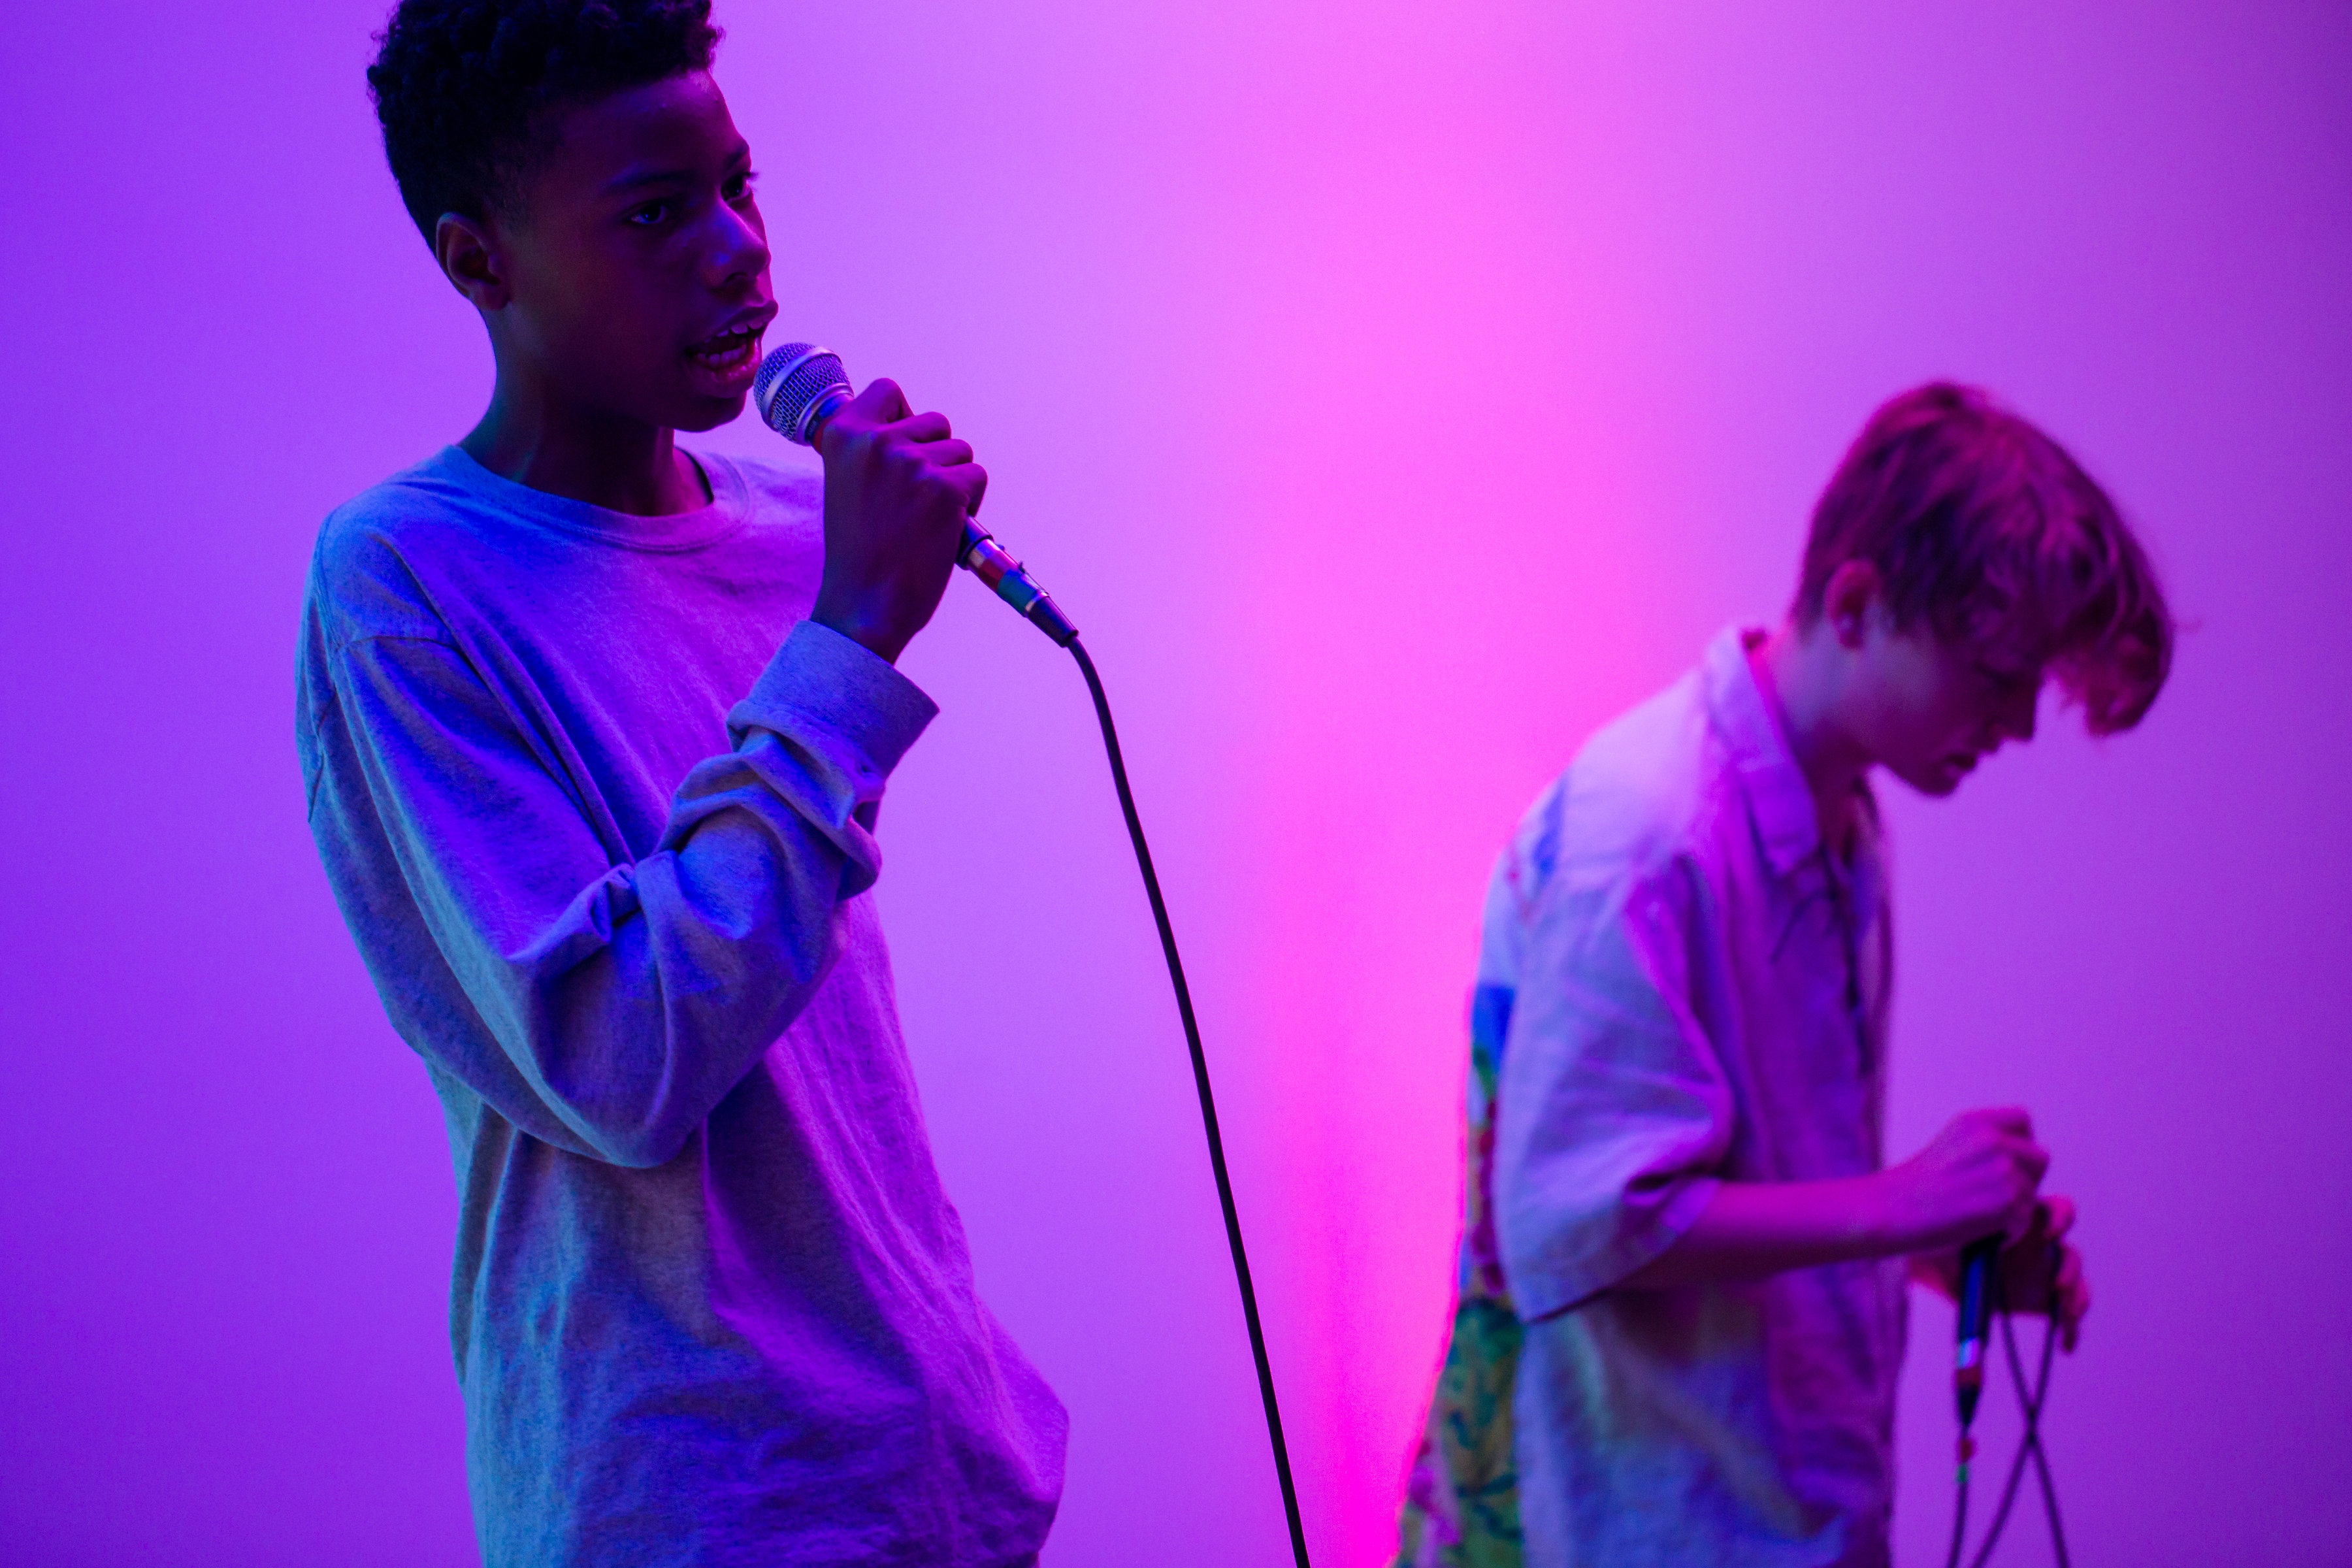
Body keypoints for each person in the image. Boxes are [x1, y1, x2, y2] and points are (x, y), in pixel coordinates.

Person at [295, 3, 1064, 1563]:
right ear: (476, 260)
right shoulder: (404, 581)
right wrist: (852, 638)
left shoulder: (794, 536)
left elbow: (801, 1001)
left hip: (930, 1472)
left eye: (739, 183)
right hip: (689, 1502)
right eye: (655, 213)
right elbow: (620, 1059)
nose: (737, 254)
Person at [1395, 383, 2170, 1568]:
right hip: (1643, 1529)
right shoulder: (1645, 835)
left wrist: (1937, 1253)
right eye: (1997, 673)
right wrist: (1905, 1200)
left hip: (1791, 1512)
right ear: (1856, 604)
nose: (2018, 724)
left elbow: (1721, 1188)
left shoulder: (1848, 816)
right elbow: (1579, 1223)